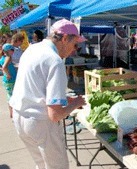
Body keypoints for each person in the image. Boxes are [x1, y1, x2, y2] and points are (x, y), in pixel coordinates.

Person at [9, 19, 86, 169]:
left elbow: (33, 86)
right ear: (64, 39)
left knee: (41, 165)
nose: (74, 49)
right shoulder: (54, 61)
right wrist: (75, 104)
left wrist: (64, 100)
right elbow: (55, 115)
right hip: (40, 123)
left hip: (20, 117)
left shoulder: (32, 49)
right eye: (74, 44)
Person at [0, 43, 17, 118]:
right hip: (11, 80)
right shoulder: (8, 57)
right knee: (13, 96)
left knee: (9, 96)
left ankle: (11, 113)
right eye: (12, 50)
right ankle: (13, 113)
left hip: (6, 81)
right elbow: (4, 67)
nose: (13, 51)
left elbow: (3, 67)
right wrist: (8, 75)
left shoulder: (2, 57)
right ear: (8, 51)